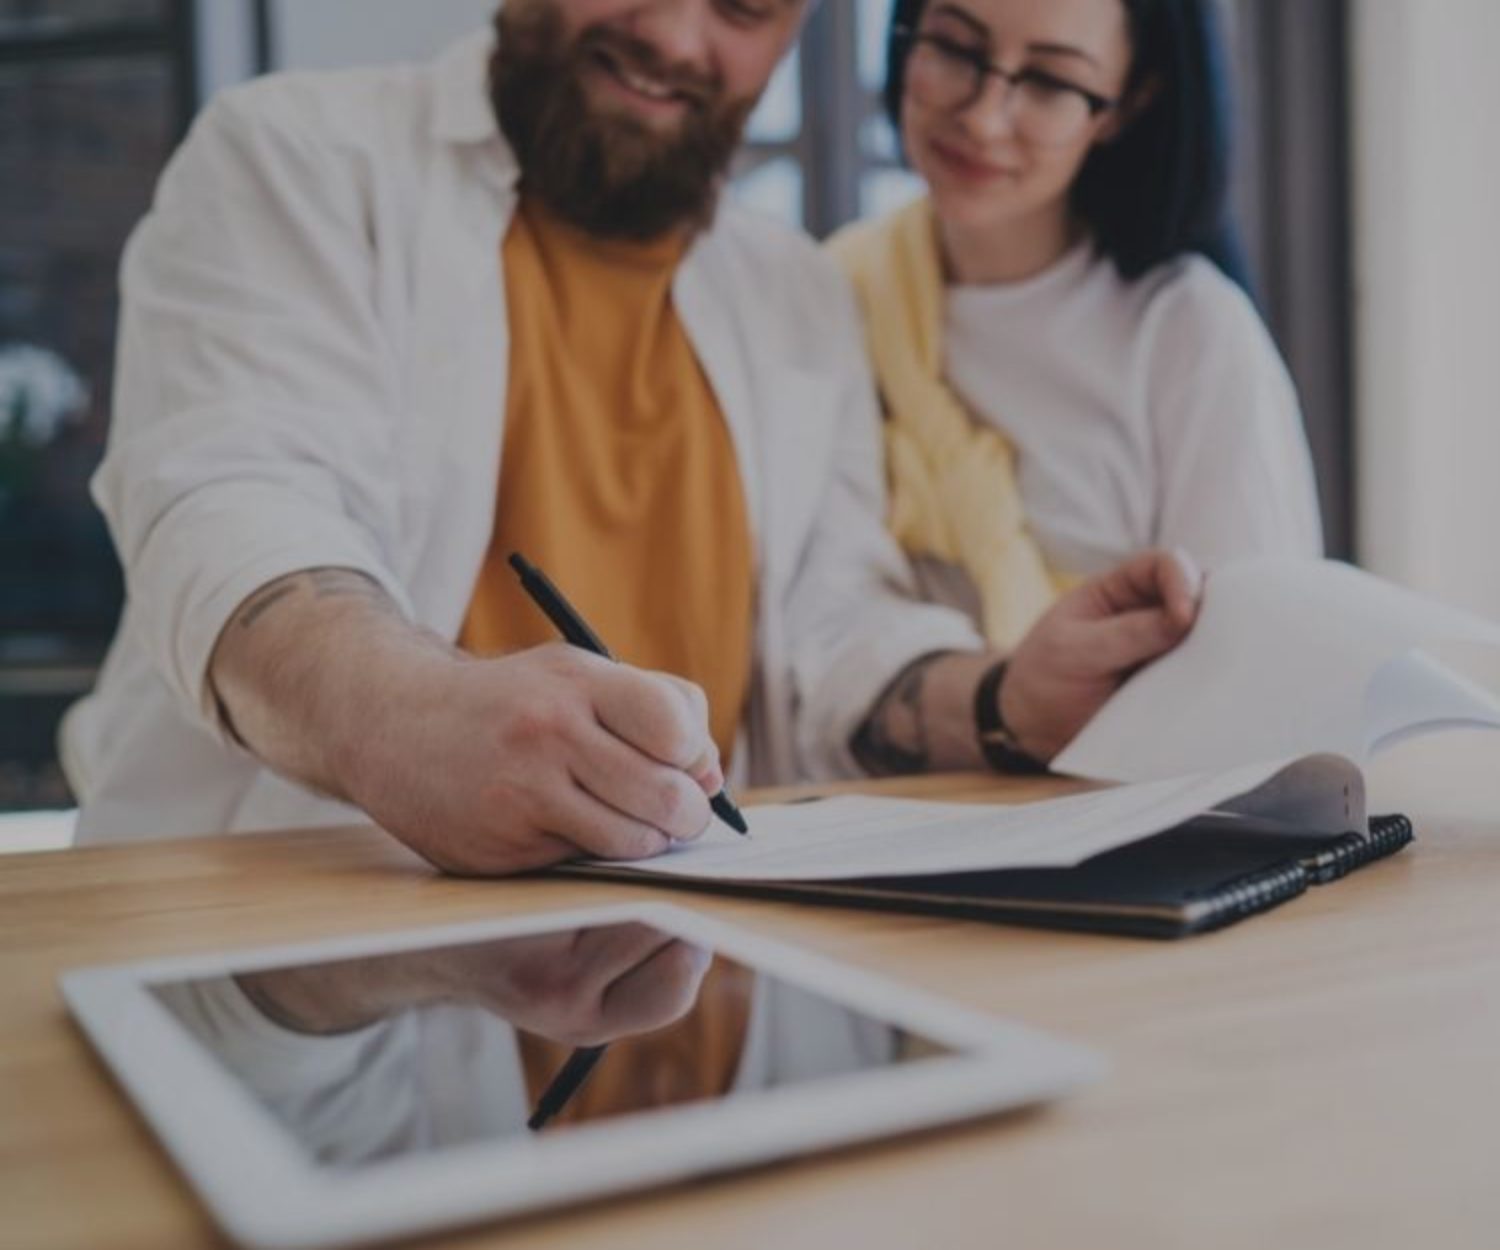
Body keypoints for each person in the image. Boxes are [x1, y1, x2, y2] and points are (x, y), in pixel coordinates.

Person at [62, 0, 1200, 875]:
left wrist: (1005, 699)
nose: (670, 34)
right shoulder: (294, 159)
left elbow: (837, 624)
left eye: (744, 7)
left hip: (701, 1012)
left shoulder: (798, 293)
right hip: (287, 984)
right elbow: (230, 506)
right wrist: (409, 720)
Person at [829, 0, 1322, 659]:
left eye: (1051, 82)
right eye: (953, 49)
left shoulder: (1185, 335)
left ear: (1129, 102)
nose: (982, 117)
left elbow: (1259, 662)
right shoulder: (834, 292)